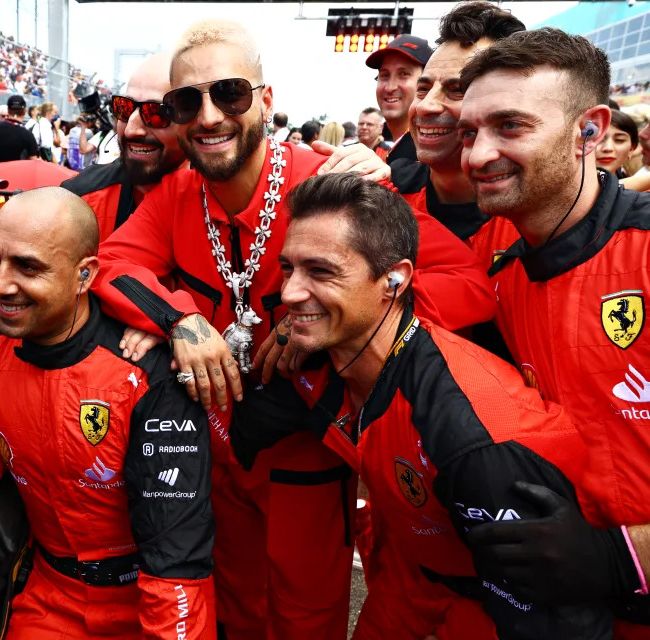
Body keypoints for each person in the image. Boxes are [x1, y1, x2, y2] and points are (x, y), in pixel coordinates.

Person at [58, 20, 493, 639]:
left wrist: (332, 319)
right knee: (233, 603)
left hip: (308, 444)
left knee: (304, 615)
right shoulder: (178, 192)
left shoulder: (333, 185)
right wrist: (177, 318)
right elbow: (117, 264)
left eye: (229, 94)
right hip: (217, 440)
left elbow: (468, 282)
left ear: (264, 100)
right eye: (188, 102)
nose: (209, 116)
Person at [234, 171, 615, 638]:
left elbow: (562, 618)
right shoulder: (317, 365)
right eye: (289, 268)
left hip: (487, 605)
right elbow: (238, 427)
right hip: (408, 582)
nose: (289, 292)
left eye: (321, 271)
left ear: (395, 279)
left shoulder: (472, 436)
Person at [0, 187, 215, 639]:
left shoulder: (149, 372)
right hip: (48, 596)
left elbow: (176, 556)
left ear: (85, 275)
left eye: (29, 266)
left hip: (148, 601)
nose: (1, 284)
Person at [457, 28, 650, 637]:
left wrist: (622, 555)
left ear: (589, 130)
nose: (477, 155)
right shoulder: (494, 266)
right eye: (470, 131)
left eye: (510, 126)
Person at [391, 0, 524, 267]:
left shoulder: (538, 216)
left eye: (457, 90)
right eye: (423, 89)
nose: (426, 106)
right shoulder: (384, 194)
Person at [60, 52, 186, 243]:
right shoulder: (78, 198)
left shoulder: (226, 201)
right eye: (124, 108)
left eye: (156, 112)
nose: (131, 130)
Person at [365, 34, 433, 164]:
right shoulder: (389, 151)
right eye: (384, 75)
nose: (390, 88)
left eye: (403, 74)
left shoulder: (431, 154)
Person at [0, 95, 38, 163]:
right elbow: (33, 161)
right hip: (18, 172)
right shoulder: (28, 135)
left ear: (8, 110)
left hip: (0, 171)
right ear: (25, 111)